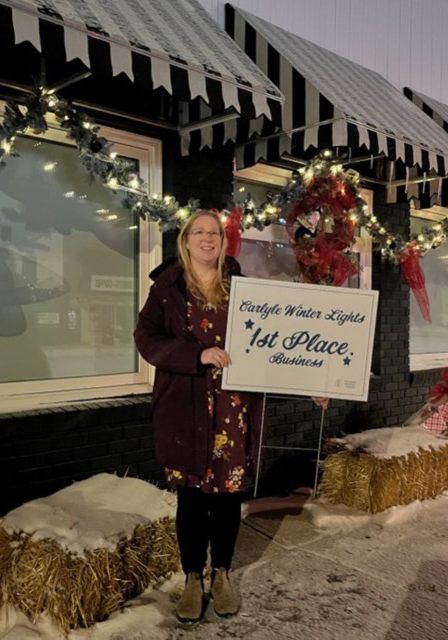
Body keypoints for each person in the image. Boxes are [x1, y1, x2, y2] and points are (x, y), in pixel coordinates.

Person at [134, 210, 330, 623]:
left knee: (226, 499)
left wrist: (315, 379)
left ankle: (220, 573)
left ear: (225, 243)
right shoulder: (167, 289)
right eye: (199, 232)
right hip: (185, 407)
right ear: (185, 241)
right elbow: (146, 339)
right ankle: (192, 578)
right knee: (190, 499)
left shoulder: (244, 288)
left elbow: (278, 344)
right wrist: (196, 354)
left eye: (215, 234)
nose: (208, 239)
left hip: (233, 408)